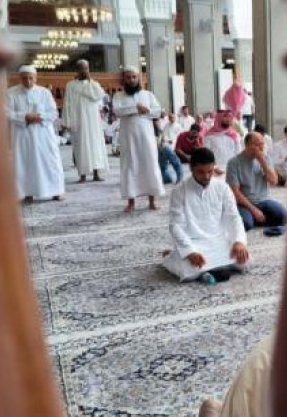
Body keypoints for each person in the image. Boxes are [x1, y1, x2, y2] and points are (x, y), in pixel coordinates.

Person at [164, 148, 250, 283]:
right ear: (191, 168)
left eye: (210, 171)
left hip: (218, 241)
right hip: (194, 243)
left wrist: (238, 241)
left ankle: (206, 271)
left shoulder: (222, 187)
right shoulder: (179, 190)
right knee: (188, 270)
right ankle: (174, 257)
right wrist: (190, 251)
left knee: (244, 260)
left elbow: (233, 217)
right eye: (201, 172)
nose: (206, 176)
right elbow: (175, 225)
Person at [5, 65, 65, 203]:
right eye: (24, 78)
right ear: (20, 78)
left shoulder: (44, 92)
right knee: (24, 163)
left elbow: (53, 112)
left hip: (43, 134)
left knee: (50, 161)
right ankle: (27, 193)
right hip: (22, 134)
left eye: (30, 78)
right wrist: (25, 117)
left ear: (35, 78)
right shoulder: (11, 93)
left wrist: (39, 117)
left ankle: (56, 191)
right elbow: (6, 112)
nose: (28, 81)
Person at [113, 66, 165, 212]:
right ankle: (131, 202)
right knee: (130, 166)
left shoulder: (148, 95)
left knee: (149, 165)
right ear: (124, 79)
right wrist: (136, 108)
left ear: (138, 78)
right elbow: (118, 110)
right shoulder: (119, 96)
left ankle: (152, 200)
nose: (131, 80)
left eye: (134, 77)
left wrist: (146, 110)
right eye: (128, 77)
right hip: (128, 137)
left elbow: (157, 112)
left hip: (146, 136)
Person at [226, 133, 287, 231]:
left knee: (284, 216)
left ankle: (257, 218)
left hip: (264, 200)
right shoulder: (234, 162)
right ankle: (252, 217)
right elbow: (235, 193)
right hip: (244, 203)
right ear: (247, 145)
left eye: (262, 144)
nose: (261, 147)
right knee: (246, 223)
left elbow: (274, 181)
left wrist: (262, 161)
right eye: (257, 144)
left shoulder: (266, 158)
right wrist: (254, 210)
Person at [63, 59, 109, 182]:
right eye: (81, 68)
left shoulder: (94, 84)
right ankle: (82, 175)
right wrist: (67, 122)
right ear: (77, 70)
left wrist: (90, 81)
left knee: (96, 146)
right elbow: (66, 103)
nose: (84, 71)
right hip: (78, 120)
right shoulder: (70, 85)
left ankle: (96, 173)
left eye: (86, 68)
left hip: (93, 121)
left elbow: (98, 96)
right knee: (80, 147)